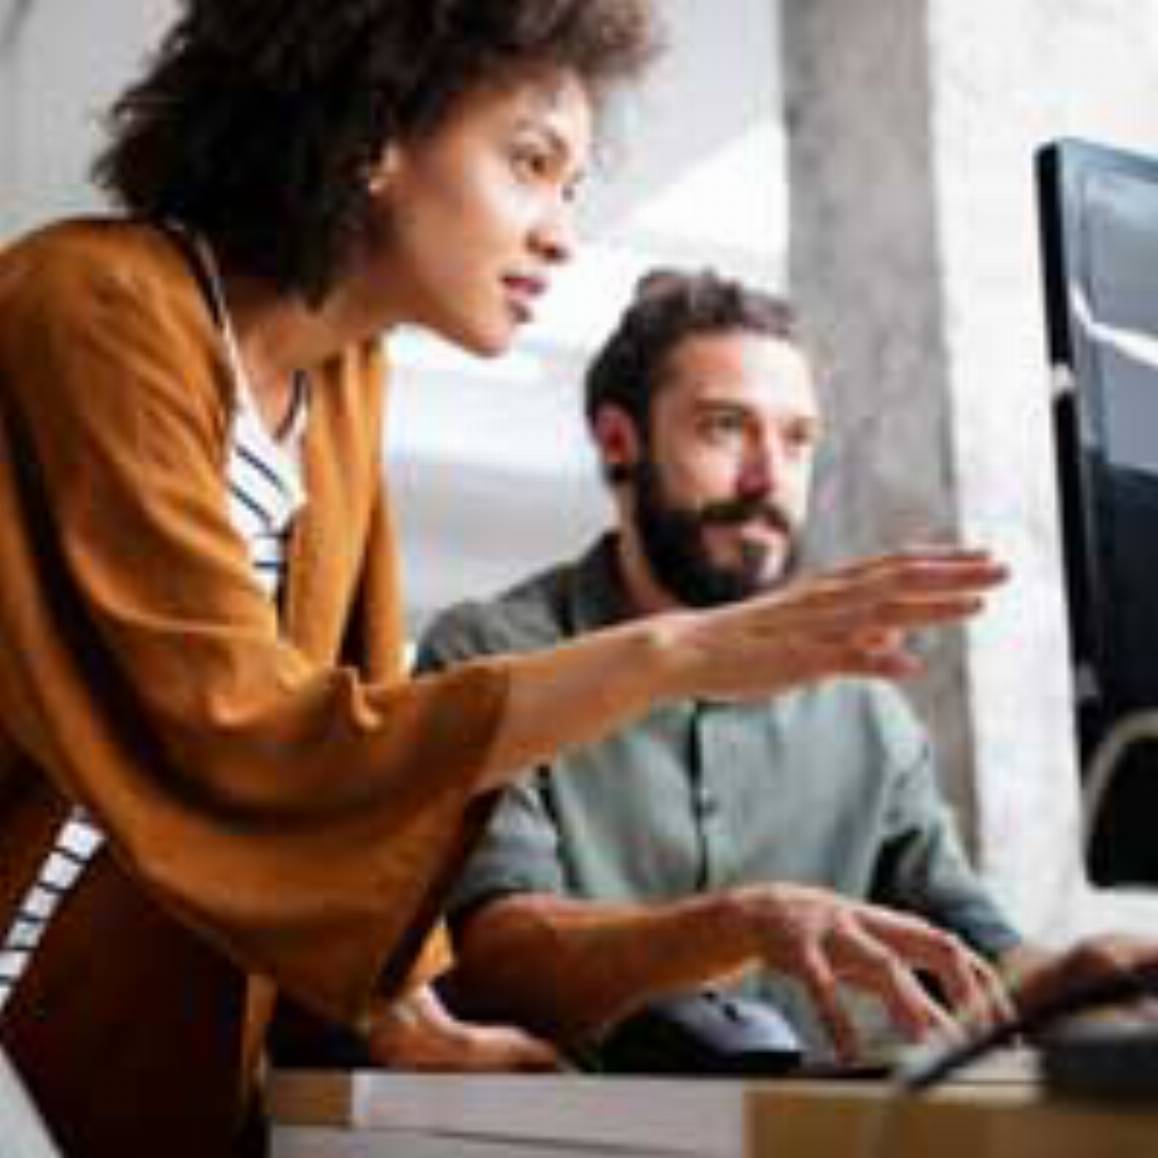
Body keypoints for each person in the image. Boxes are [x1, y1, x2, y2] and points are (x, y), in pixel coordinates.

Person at [0, 3, 1016, 1155]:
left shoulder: (338, 387)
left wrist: (404, 1019)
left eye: (574, 186)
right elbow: (239, 733)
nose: (559, 234)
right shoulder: (91, 303)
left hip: (149, 1050)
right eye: (531, 164)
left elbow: (350, 766)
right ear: (376, 131)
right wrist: (667, 654)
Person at [419, 269, 1158, 1065]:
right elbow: (497, 961)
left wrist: (1083, 976)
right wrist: (742, 922)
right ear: (618, 440)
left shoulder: (863, 707)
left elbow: (974, 959)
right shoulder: (492, 654)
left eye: (797, 439)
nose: (769, 478)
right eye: (725, 428)